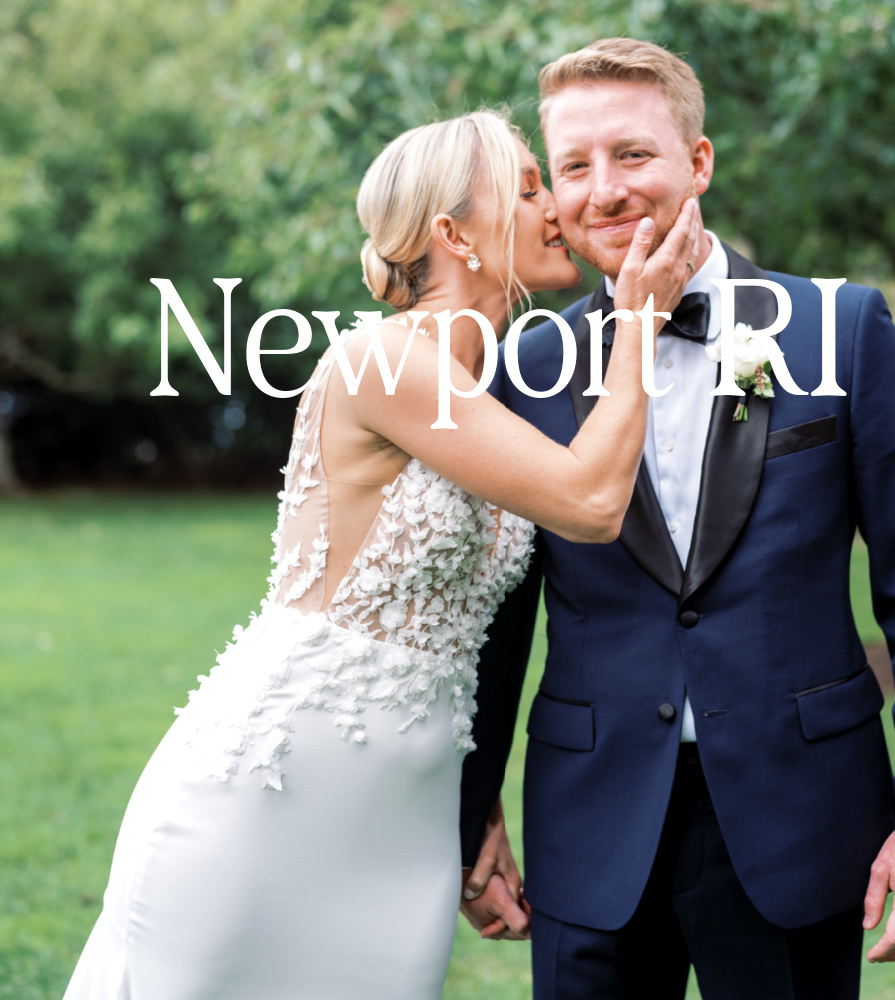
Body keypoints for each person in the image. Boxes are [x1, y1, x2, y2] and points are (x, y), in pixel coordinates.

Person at [62, 109, 702, 1000]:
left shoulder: (493, 387)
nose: (556, 205)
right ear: (452, 234)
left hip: (406, 810)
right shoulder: (386, 362)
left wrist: (476, 805)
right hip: (277, 792)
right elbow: (592, 504)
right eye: (526, 188)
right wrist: (641, 321)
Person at [459, 40, 895, 1000]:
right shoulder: (526, 371)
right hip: (592, 825)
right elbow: (498, 622)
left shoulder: (842, 331)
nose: (605, 190)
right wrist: (472, 815)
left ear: (698, 163)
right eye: (574, 166)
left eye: (633, 155)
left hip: (804, 822)